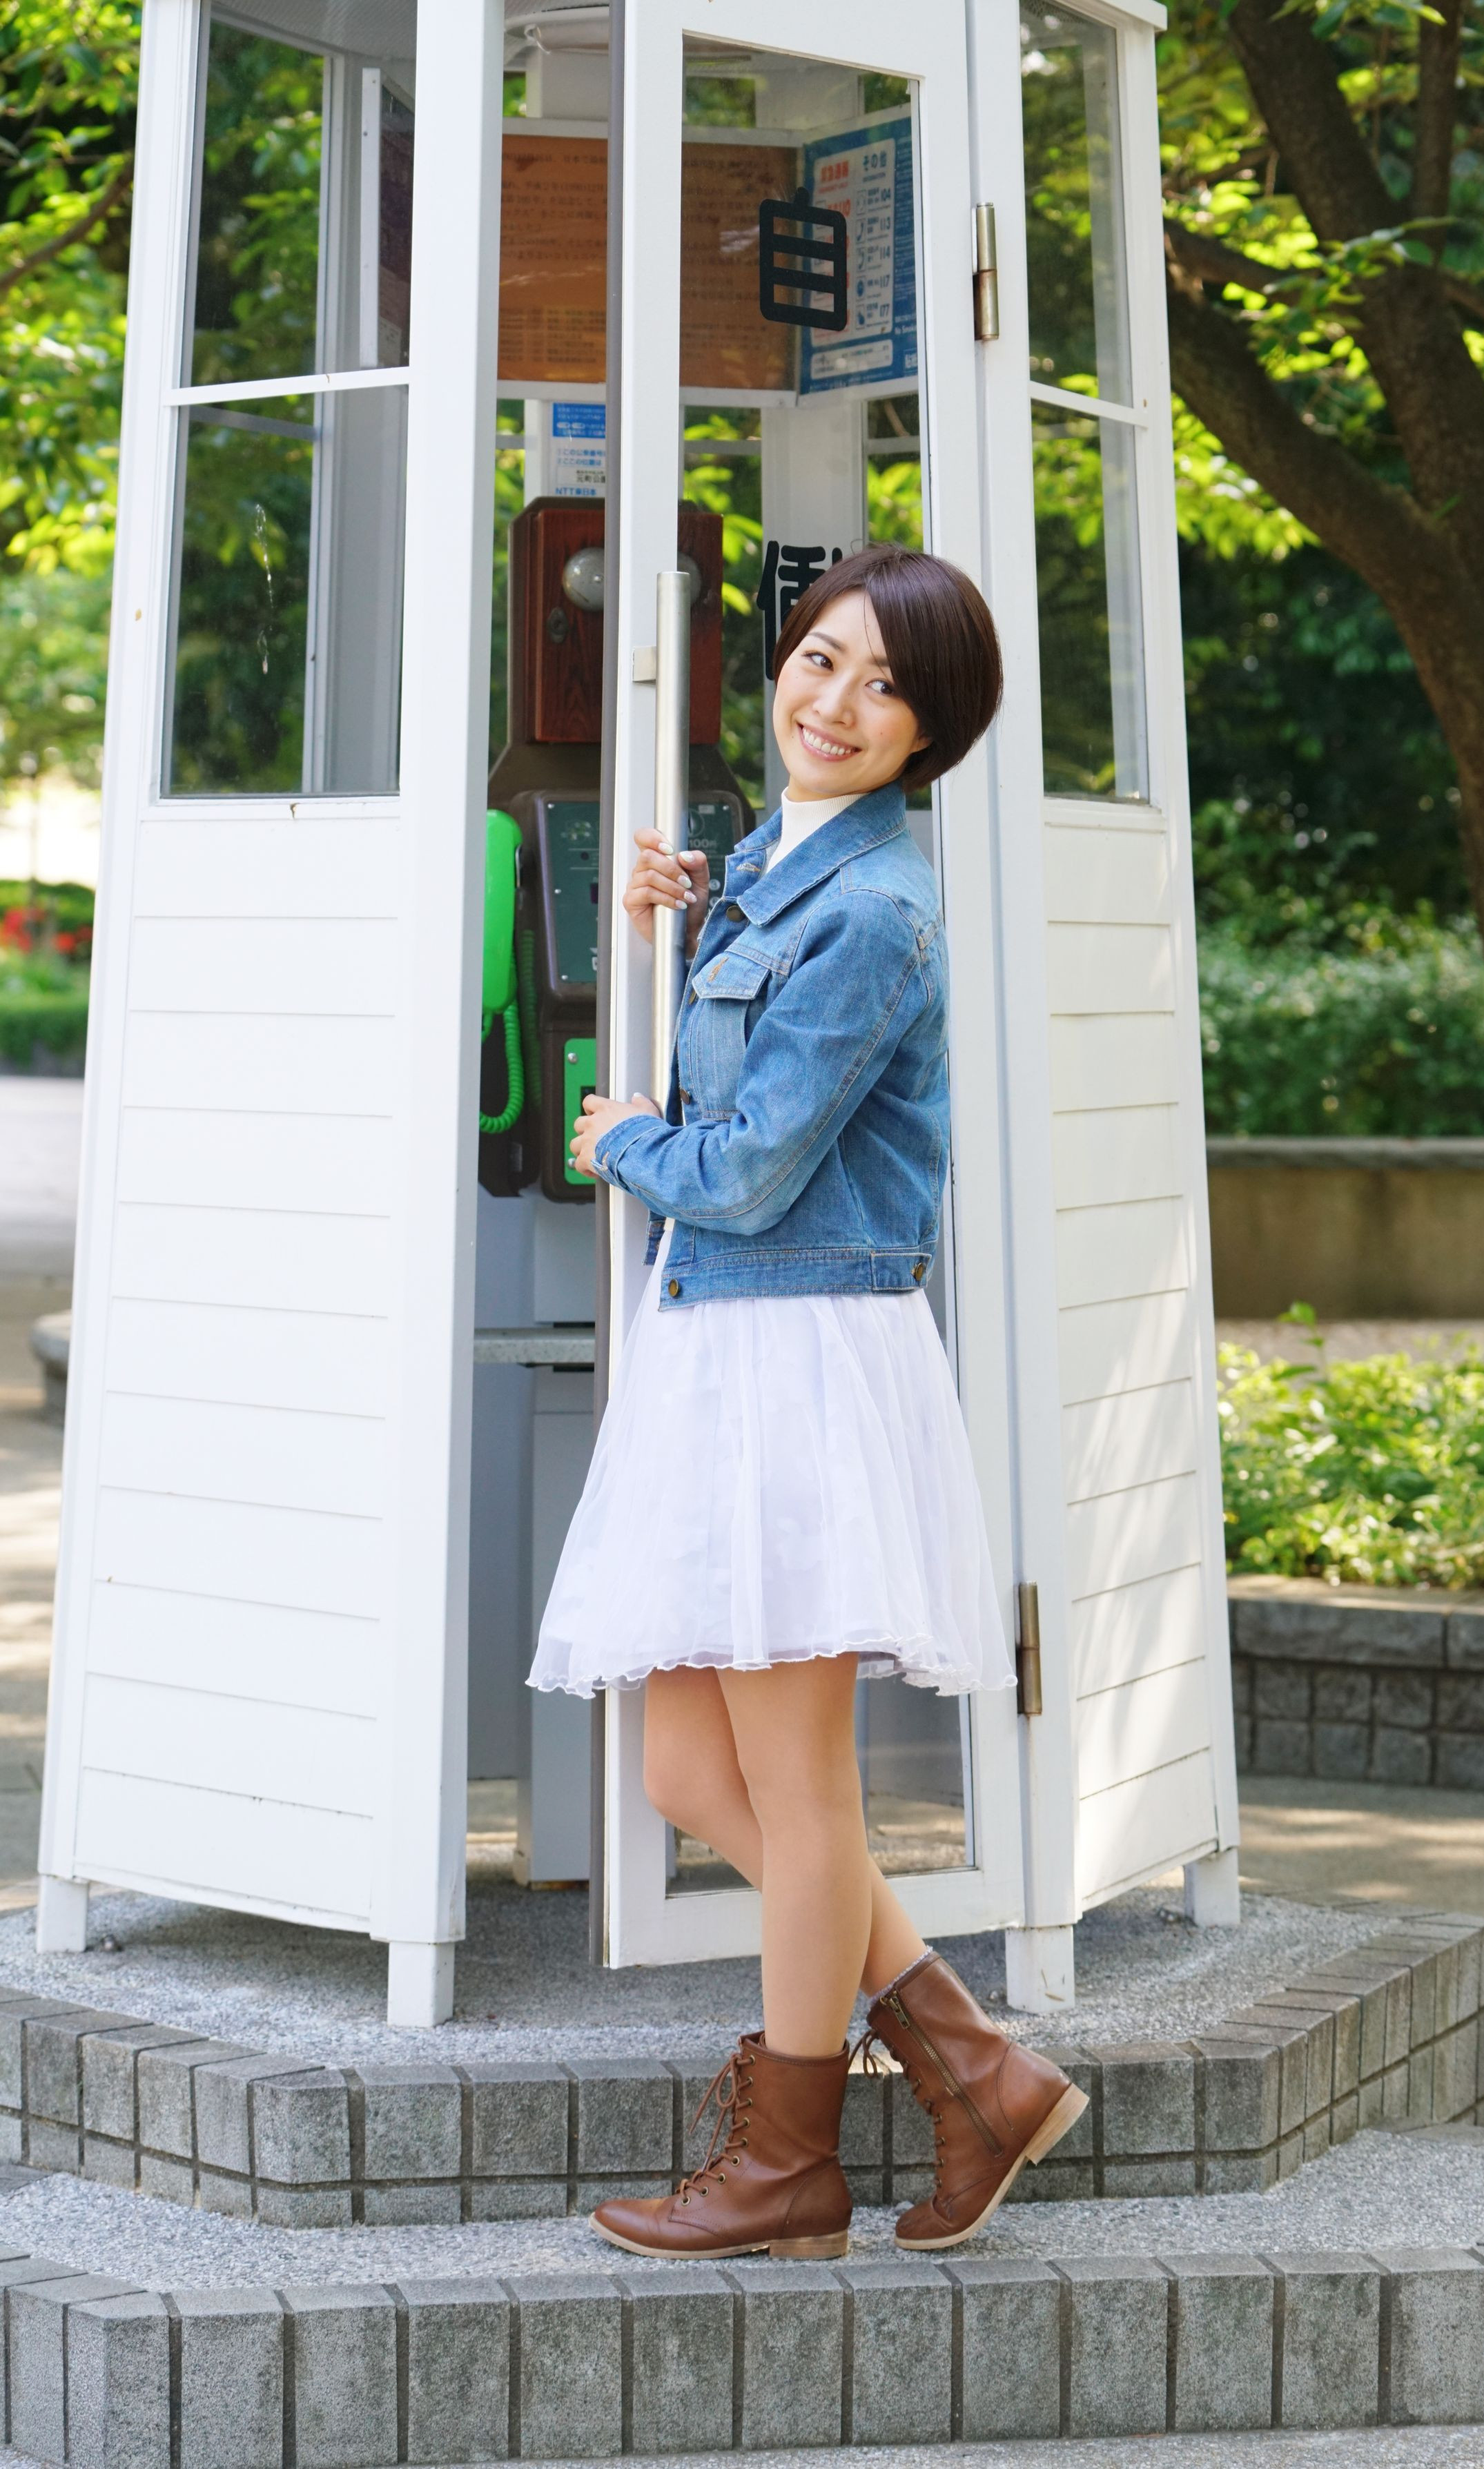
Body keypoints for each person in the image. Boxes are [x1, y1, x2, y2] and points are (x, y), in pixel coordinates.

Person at [527, 542, 1086, 2261]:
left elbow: (755, 1165)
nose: (834, 702)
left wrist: (622, 1139)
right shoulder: (785, 868)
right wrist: (686, 902)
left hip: (796, 1358)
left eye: (885, 686)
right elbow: (755, 1036)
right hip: (728, 1345)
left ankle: (790, 2159)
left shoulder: (874, 910)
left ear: (933, 732)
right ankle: (971, 2064)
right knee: (690, 1764)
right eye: (821, 659)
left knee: (797, 1783)